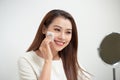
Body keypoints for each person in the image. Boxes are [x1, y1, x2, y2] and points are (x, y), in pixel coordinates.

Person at [18, 9, 91, 80]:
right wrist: (48, 61)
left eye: (68, 32)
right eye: (57, 30)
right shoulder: (26, 60)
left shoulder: (70, 60)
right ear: (44, 29)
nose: (62, 37)